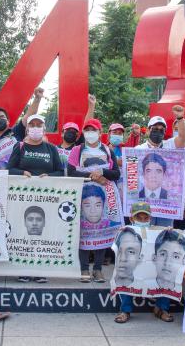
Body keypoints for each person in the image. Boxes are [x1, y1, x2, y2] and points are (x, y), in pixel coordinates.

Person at [67, 118, 121, 283]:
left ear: (100, 132)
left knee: (101, 231)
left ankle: (97, 269)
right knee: (83, 232)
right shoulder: (77, 150)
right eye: (87, 130)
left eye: (94, 129)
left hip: (104, 195)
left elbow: (116, 173)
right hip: (83, 195)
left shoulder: (107, 150)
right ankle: (84, 268)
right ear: (83, 133)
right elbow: (70, 172)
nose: (90, 133)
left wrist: (102, 173)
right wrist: (92, 176)